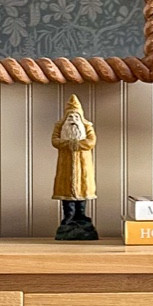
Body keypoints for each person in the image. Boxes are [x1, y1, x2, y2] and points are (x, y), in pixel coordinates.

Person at [51, 94, 98, 241]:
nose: (73, 120)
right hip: (65, 165)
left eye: (76, 117)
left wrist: (76, 144)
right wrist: (68, 144)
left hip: (83, 165)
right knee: (66, 189)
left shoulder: (87, 127)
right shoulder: (59, 127)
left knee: (83, 188)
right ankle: (69, 216)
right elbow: (55, 141)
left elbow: (91, 142)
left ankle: (80, 215)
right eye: (70, 117)